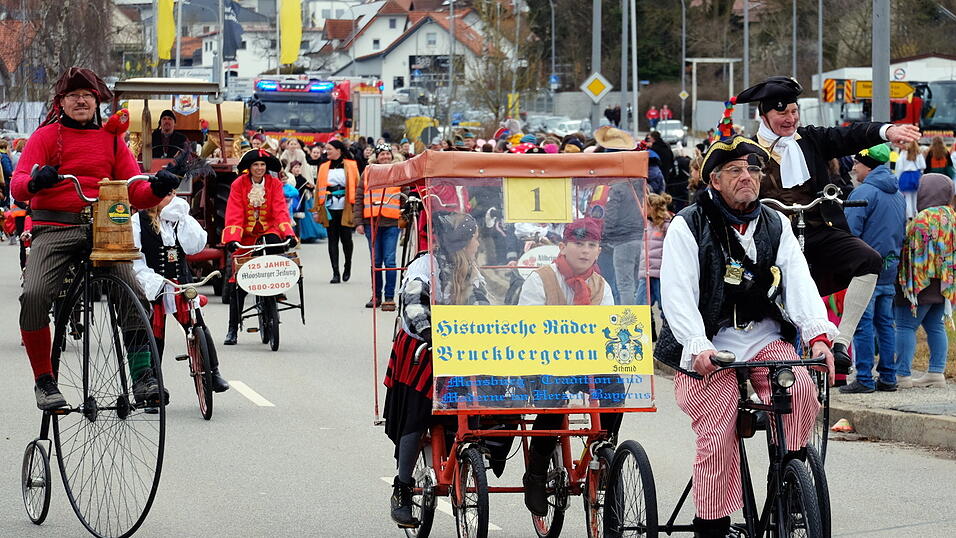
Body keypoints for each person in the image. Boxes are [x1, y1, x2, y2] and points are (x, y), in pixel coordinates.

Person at [655, 136, 836, 538]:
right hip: (708, 342)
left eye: (752, 170)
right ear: (714, 181)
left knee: (802, 390)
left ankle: (787, 482)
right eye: (735, 170)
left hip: (761, 335)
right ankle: (713, 524)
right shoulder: (688, 224)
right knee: (719, 428)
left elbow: (799, 281)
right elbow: (677, 293)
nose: (746, 178)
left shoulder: (775, 223)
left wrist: (819, 335)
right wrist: (697, 346)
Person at [13, 66, 180, 410]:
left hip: (104, 228)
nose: (80, 101)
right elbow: (17, 184)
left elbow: (136, 190)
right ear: (61, 102)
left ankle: (143, 377)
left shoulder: (112, 140)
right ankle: (44, 381)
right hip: (56, 227)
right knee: (34, 294)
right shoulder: (44, 137)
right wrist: (37, 181)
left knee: (132, 288)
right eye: (73, 96)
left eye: (87, 96)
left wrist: (158, 187)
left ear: (96, 102)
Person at [735, 75, 921, 374]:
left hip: (816, 228)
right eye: (783, 112)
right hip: (770, 238)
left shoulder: (809, 140)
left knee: (868, 260)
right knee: (762, 297)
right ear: (764, 115)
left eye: (794, 111)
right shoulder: (746, 149)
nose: (791, 118)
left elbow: (849, 135)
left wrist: (888, 131)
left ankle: (841, 343)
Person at [384, 212, 489, 527]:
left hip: (462, 346)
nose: (478, 243)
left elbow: (483, 302)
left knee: (493, 398)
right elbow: (413, 305)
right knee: (417, 417)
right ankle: (402, 487)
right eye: (475, 238)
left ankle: (478, 451)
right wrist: (433, 335)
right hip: (423, 347)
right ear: (465, 242)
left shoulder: (473, 270)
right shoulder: (422, 267)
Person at [516, 217, 616, 516]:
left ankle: (604, 447)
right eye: (578, 244)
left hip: (587, 362)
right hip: (545, 361)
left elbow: (608, 328)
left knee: (615, 384)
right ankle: (535, 472)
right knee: (554, 397)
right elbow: (527, 328)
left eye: (592, 245)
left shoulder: (601, 285)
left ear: (598, 250)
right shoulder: (542, 278)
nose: (585, 251)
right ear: (563, 246)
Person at [132, 192, 229, 392]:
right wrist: (150, 281)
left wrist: (184, 218)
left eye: (171, 194)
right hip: (153, 282)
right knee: (153, 332)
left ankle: (213, 372)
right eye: (165, 194)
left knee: (197, 324)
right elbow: (135, 257)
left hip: (180, 282)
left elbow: (194, 246)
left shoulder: (179, 218)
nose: (170, 198)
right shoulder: (138, 221)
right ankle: (152, 384)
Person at [840, 144, 906, 393]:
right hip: (889, 268)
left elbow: (849, 235)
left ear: (869, 166)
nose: (854, 167)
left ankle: (865, 378)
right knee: (885, 324)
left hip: (864, 271)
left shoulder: (864, 193)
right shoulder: (897, 195)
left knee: (862, 323)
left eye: (857, 163)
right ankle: (889, 377)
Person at [222, 149, 298, 345]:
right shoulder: (239, 184)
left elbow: (281, 211)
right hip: (246, 236)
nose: (259, 168)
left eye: (262, 165)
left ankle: (275, 286)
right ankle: (232, 329)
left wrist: (289, 234)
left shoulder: (274, 184)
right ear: (249, 167)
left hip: (268, 230)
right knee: (237, 283)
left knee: (274, 248)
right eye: (255, 165)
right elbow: (235, 212)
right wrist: (232, 238)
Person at [894, 172, 955, 389]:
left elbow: (910, 253)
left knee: (904, 326)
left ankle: (902, 375)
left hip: (919, 283)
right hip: (944, 283)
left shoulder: (922, 219)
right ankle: (936, 373)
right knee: (935, 326)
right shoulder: (952, 216)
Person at [595, 126, 644, 305]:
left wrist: (603, 235)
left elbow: (611, 216)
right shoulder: (639, 183)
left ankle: (627, 320)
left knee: (624, 285)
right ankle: (642, 319)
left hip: (621, 240)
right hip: (640, 238)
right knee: (638, 283)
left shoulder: (616, 186)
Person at [354, 144, 402, 310]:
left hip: (391, 223)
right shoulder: (367, 172)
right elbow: (359, 197)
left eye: (388, 154)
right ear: (376, 156)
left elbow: (405, 194)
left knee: (390, 261)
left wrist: (405, 218)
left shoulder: (398, 171)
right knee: (376, 261)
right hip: (371, 223)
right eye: (382, 154)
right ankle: (376, 296)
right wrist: (358, 222)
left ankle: (389, 297)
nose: (385, 157)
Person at [314, 139, 359, 283]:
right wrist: (316, 210)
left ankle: (348, 266)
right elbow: (318, 188)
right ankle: (335, 272)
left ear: (339, 150)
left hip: (346, 207)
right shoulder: (323, 166)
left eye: (330, 149)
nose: (327, 151)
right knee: (332, 240)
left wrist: (358, 209)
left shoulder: (351, 165)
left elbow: (358, 186)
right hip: (329, 207)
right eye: (326, 149)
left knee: (346, 239)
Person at [895, 140, 926, 218]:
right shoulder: (918, 154)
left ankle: (909, 215)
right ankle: (916, 213)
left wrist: (897, 178)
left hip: (905, 176)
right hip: (916, 176)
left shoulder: (903, 154)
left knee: (907, 197)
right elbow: (923, 166)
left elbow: (900, 167)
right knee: (916, 196)